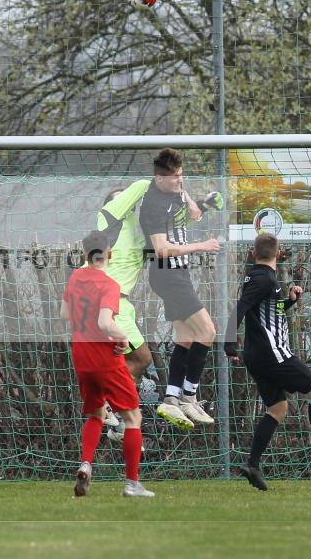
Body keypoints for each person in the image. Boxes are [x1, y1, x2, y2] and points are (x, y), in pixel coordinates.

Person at [224, 233, 311, 491]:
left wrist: (290, 301)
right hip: (273, 354)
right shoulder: (263, 279)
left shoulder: (261, 278)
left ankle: (253, 464)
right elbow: (239, 309)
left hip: (259, 356)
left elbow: (269, 311)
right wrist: (229, 343)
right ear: (278, 252)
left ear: (253, 254)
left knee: (278, 409)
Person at [61, 230, 154, 497]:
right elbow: (104, 322)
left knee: (96, 413)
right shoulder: (109, 284)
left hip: (81, 355)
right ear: (109, 254)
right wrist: (122, 337)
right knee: (133, 415)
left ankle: (86, 465)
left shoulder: (75, 278)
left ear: (84, 255)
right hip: (104, 356)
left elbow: (64, 314)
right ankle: (132, 484)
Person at [139, 148, 220, 430]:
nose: (179, 182)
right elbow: (160, 250)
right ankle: (190, 396)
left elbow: (193, 213)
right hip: (167, 273)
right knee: (207, 331)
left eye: (181, 176)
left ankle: (171, 398)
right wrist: (201, 246)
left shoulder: (175, 191)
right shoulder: (152, 205)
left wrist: (200, 203)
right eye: (174, 178)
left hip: (178, 273)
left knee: (186, 337)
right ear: (159, 179)